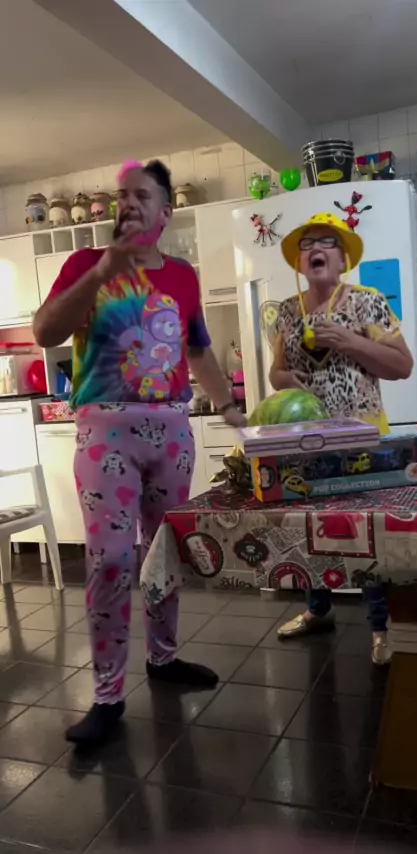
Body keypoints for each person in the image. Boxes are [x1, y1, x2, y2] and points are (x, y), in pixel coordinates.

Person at [33, 159, 246, 746]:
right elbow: (46, 333)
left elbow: (197, 351)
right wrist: (102, 271)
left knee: (162, 552)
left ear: (165, 211)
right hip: (105, 432)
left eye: (141, 195)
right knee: (109, 560)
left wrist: (228, 406)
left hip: (172, 430)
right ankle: (107, 695)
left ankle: (163, 657)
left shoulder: (183, 276)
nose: (127, 202)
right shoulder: (84, 265)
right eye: (122, 195)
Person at [271, 213, 413, 665]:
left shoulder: (368, 301)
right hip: (303, 440)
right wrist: (282, 379)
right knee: (308, 528)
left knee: (366, 531)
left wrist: (351, 341)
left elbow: (402, 366)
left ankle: (381, 626)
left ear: (342, 258)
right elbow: (276, 372)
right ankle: (318, 610)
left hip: (361, 439)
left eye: (327, 242)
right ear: (300, 260)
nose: (316, 248)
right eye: (307, 243)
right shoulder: (287, 311)